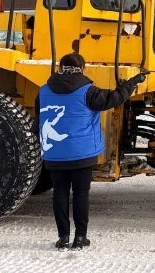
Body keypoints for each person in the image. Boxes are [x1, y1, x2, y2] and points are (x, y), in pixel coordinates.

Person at [36, 52, 145, 250]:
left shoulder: (43, 92)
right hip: (82, 153)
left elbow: (39, 119)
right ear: (81, 68)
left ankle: (63, 238)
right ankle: (80, 237)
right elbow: (114, 98)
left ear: (60, 68)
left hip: (54, 152)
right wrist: (130, 84)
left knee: (59, 193)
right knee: (80, 194)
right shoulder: (88, 92)